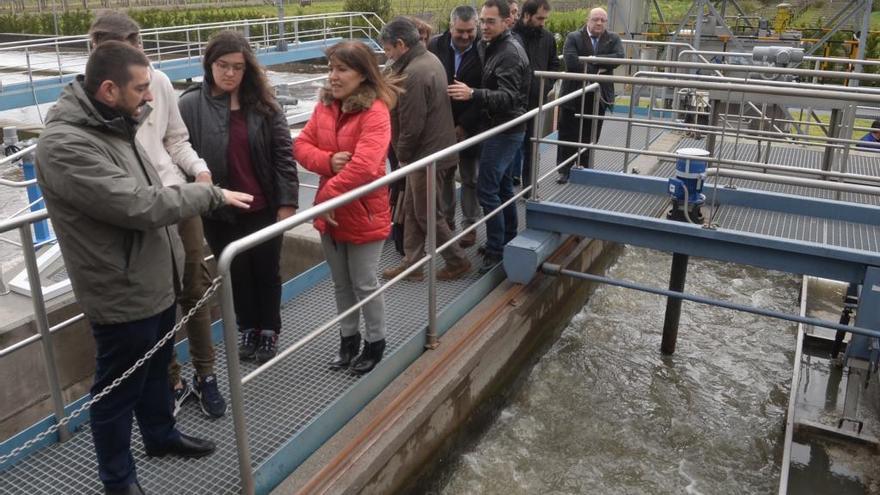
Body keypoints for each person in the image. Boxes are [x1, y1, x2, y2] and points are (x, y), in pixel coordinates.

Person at [35, 41, 253, 495]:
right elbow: (137, 204)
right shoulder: (66, 144)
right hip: (120, 287)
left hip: (151, 277)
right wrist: (210, 193)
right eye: (141, 89)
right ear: (109, 89)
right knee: (116, 392)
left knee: (156, 368)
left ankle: (160, 436)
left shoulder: (112, 122)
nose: (150, 98)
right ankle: (119, 480)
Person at [88, 13, 226, 420]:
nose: (141, 58)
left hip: (176, 199)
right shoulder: (87, 98)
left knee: (196, 289)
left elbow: (175, 140)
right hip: (136, 212)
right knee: (155, 300)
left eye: (139, 47)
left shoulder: (160, 83)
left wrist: (199, 171)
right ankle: (171, 380)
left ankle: (206, 374)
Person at [179, 31, 299, 365]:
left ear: (248, 69)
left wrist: (287, 202)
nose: (230, 73)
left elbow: (283, 155)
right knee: (235, 273)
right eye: (223, 65)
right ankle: (247, 326)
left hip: (262, 205)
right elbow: (179, 151)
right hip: (219, 209)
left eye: (238, 67)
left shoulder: (264, 104)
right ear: (209, 64)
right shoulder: (190, 104)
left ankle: (269, 330)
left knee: (266, 270)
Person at [294, 41, 401, 374]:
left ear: (362, 74)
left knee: (365, 282)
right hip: (332, 212)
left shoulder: (376, 112)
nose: (333, 77)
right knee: (341, 283)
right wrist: (327, 160)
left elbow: (367, 167)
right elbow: (300, 144)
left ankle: (376, 342)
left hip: (362, 211)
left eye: (341, 69)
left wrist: (326, 197)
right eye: (330, 69)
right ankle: (348, 340)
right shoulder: (325, 106)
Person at [380, 17, 473, 281]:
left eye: (387, 50)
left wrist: (403, 157)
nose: (387, 56)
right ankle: (412, 262)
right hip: (435, 150)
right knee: (412, 207)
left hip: (425, 155)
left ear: (400, 44)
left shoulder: (412, 73)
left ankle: (457, 260)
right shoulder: (429, 59)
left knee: (426, 213)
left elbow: (411, 124)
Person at [448, 0, 530, 274]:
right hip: (498, 128)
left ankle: (496, 249)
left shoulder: (508, 52)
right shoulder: (492, 46)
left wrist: (473, 94)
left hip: (505, 130)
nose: (484, 26)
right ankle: (507, 238)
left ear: (507, 21)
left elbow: (509, 98)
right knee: (504, 188)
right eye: (482, 21)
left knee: (487, 189)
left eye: (490, 21)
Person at [428, 5, 483, 248]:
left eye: (470, 31)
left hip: (471, 125)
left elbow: (484, 92)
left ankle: (470, 225)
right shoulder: (436, 46)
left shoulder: (484, 50)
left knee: (470, 177)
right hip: (442, 125)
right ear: (451, 27)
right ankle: (447, 221)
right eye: (460, 31)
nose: (465, 36)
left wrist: (463, 126)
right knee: (446, 175)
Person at [556, 7, 624, 183]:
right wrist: (601, 65)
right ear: (588, 20)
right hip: (574, 93)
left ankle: (584, 169)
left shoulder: (613, 38)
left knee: (591, 133)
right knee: (568, 133)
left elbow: (618, 58)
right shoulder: (574, 37)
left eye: (603, 20)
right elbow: (571, 62)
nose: (599, 23)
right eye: (595, 19)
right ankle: (565, 170)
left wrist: (590, 58)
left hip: (598, 95)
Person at [511, 0, 559, 192]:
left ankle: (530, 187)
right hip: (512, 103)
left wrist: (544, 85)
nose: (542, 23)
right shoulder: (511, 36)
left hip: (535, 100)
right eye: (539, 18)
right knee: (510, 145)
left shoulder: (547, 38)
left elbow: (554, 65)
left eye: (545, 19)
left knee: (532, 145)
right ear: (526, 16)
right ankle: (507, 185)